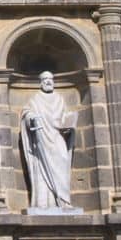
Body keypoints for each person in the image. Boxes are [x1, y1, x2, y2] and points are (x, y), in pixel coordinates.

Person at [21, 70, 77, 212]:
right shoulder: (35, 100)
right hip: (42, 140)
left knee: (62, 166)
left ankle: (63, 201)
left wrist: (68, 125)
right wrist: (31, 117)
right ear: (40, 83)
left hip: (57, 139)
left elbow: (63, 117)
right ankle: (43, 203)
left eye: (50, 79)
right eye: (45, 79)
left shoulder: (59, 99)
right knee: (41, 171)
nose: (48, 81)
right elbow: (27, 113)